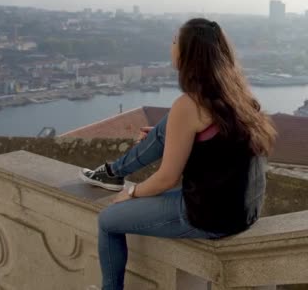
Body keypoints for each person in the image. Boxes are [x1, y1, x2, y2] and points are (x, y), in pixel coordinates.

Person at [79, 18, 276, 290]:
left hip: (210, 216)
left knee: (107, 220)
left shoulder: (190, 105)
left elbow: (166, 178)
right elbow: (219, 145)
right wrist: (172, 133)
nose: (170, 47)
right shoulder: (239, 95)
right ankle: (114, 172)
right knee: (166, 125)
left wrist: (132, 193)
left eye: (174, 42)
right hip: (245, 209)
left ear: (188, 53)